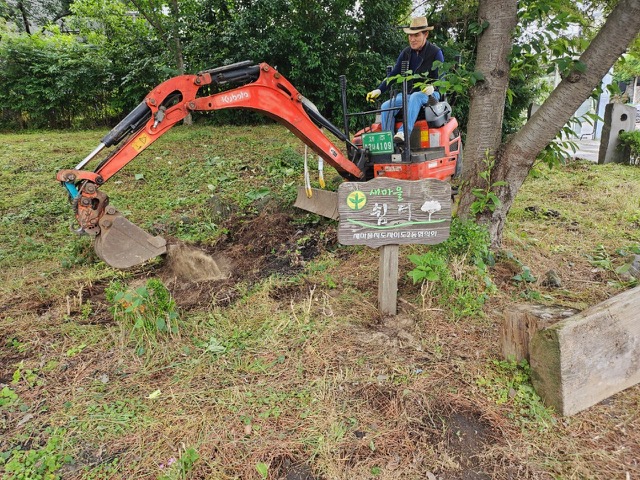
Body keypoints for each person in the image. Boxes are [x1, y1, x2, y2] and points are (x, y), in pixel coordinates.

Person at [366, 16, 444, 143]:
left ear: (426, 34)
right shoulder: (406, 53)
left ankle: (403, 132)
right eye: (410, 35)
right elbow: (394, 74)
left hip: (430, 95)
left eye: (416, 35)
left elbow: (442, 79)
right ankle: (388, 142)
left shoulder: (435, 52)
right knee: (386, 106)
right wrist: (379, 90)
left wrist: (433, 87)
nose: (412, 39)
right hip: (409, 95)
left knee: (416, 97)